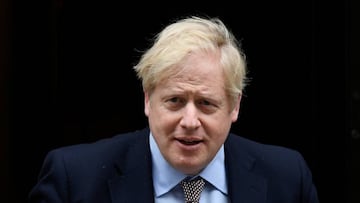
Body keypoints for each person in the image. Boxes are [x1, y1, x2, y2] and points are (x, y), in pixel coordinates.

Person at [29, 16, 319, 203]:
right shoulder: (74, 179)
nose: (190, 121)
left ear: (235, 106)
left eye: (206, 103)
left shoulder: (287, 178)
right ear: (147, 100)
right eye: (175, 101)